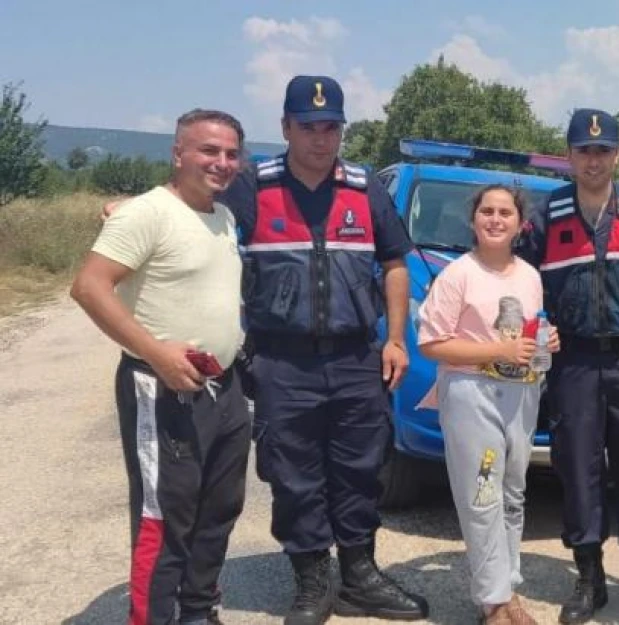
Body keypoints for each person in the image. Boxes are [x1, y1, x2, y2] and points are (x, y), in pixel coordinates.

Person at [103, 75, 428, 625]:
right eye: (309, 127)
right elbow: (187, 200)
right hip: (282, 360)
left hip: (355, 357)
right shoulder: (252, 184)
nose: (322, 139)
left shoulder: (364, 187)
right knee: (293, 471)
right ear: (286, 128)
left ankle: (359, 575)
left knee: (361, 468)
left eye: (332, 128)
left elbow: (395, 264)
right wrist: (131, 206)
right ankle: (311, 580)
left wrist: (395, 338)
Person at [71, 109, 252, 625]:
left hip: (223, 386)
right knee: (165, 517)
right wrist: (155, 352)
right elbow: (88, 287)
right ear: (178, 154)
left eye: (230, 153)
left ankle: (197, 610)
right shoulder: (144, 213)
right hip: (162, 387)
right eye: (207, 151)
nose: (221, 162)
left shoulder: (223, 216)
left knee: (219, 507)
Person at [516, 108, 619, 625]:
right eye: (584, 151)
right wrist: (534, 326)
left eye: (603, 150)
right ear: (568, 155)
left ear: (618, 154)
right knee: (579, 468)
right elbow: (517, 277)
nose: (594, 160)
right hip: (573, 362)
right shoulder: (547, 212)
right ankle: (589, 580)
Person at [417, 185, 562, 625]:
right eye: (487, 211)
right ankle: (492, 603)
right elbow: (432, 343)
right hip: (471, 393)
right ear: (474, 219)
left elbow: (529, 335)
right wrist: (496, 352)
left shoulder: (530, 276)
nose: (495, 219)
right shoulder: (459, 274)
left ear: (520, 223)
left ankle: (508, 588)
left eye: (505, 212)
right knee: (482, 495)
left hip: (521, 393)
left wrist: (548, 341)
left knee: (513, 495)